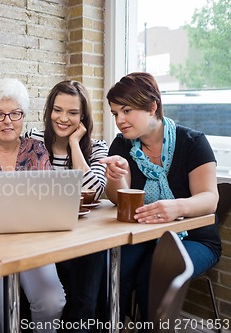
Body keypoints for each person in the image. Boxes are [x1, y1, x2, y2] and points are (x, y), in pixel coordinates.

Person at [100, 72, 221, 328]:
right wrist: (115, 176)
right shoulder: (123, 145)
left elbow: (210, 199)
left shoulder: (193, 142)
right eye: (115, 113)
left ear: (152, 106)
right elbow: (118, 199)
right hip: (141, 233)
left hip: (194, 237)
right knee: (111, 271)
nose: (119, 120)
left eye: (127, 110)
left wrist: (176, 207)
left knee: (153, 277)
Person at [0, 78, 66, 333]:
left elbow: (50, 196)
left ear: (23, 116)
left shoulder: (37, 149)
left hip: (33, 241)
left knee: (52, 300)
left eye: (15, 113)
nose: (7, 121)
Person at [26, 80, 108, 332]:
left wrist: (75, 145)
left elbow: (94, 190)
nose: (63, 118)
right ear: (49, 110)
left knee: (94, 257)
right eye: (57, 110)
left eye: (72, 112)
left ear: (83, 116)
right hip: (43, 235)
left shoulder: (98, 147)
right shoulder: (34, 139)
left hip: (79, 237)